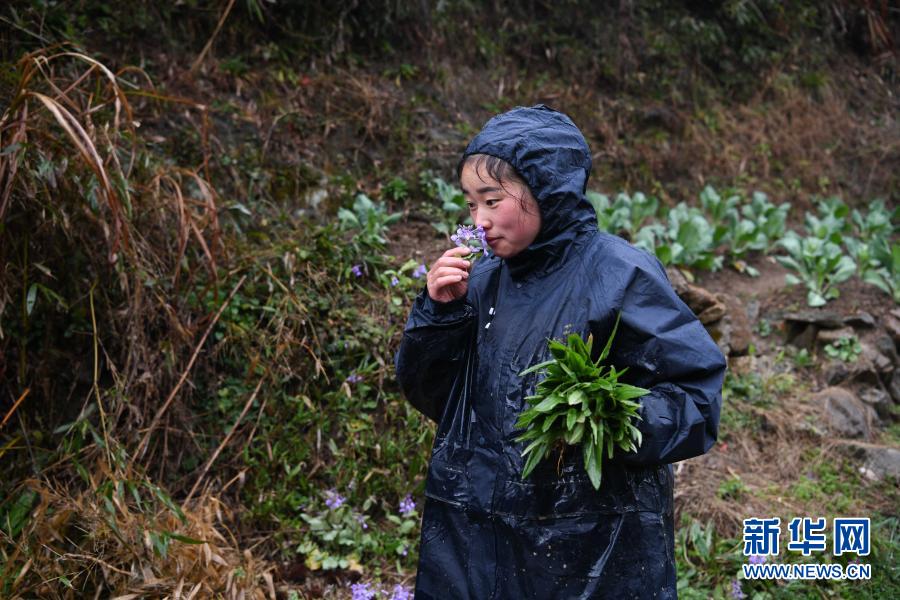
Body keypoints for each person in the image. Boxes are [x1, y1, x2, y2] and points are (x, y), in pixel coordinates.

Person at [395, 105, 726, 599]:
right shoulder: (479, 281)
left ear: (546, 190)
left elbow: (696, 399)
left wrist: (609, 416)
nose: (479, 222)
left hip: (588, 544)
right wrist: (438, 317)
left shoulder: (619, 275)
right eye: (470, 206)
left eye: (492, 200)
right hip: (474, 536)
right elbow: (440, 400)